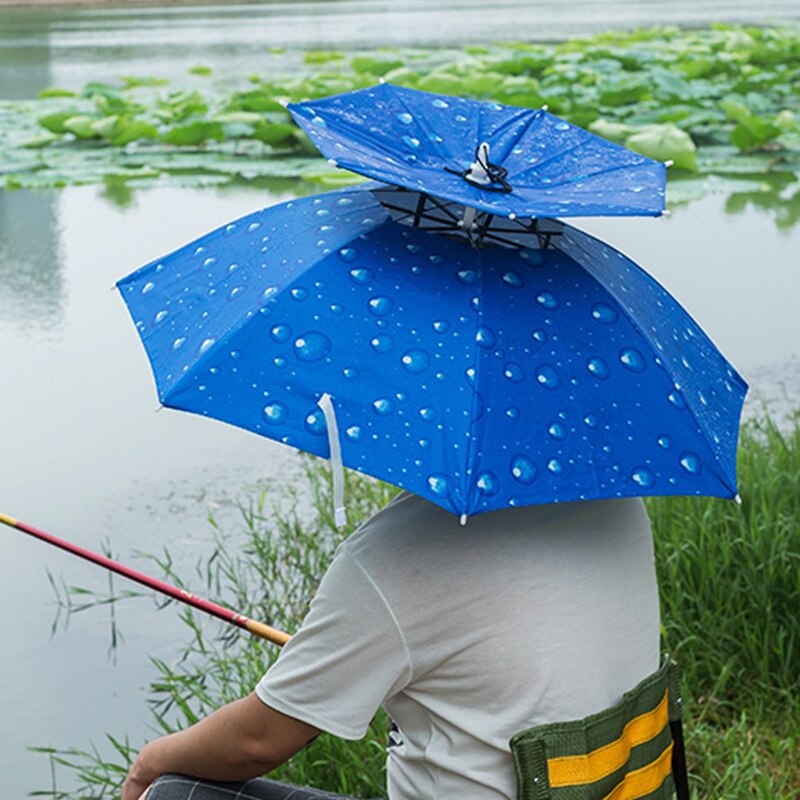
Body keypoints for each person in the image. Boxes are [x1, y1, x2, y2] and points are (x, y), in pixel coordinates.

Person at [122, 491, 661, 800]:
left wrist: (149, 764)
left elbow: (259, 741)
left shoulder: (396, 554)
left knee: (170, 794)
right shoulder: (618, 504)